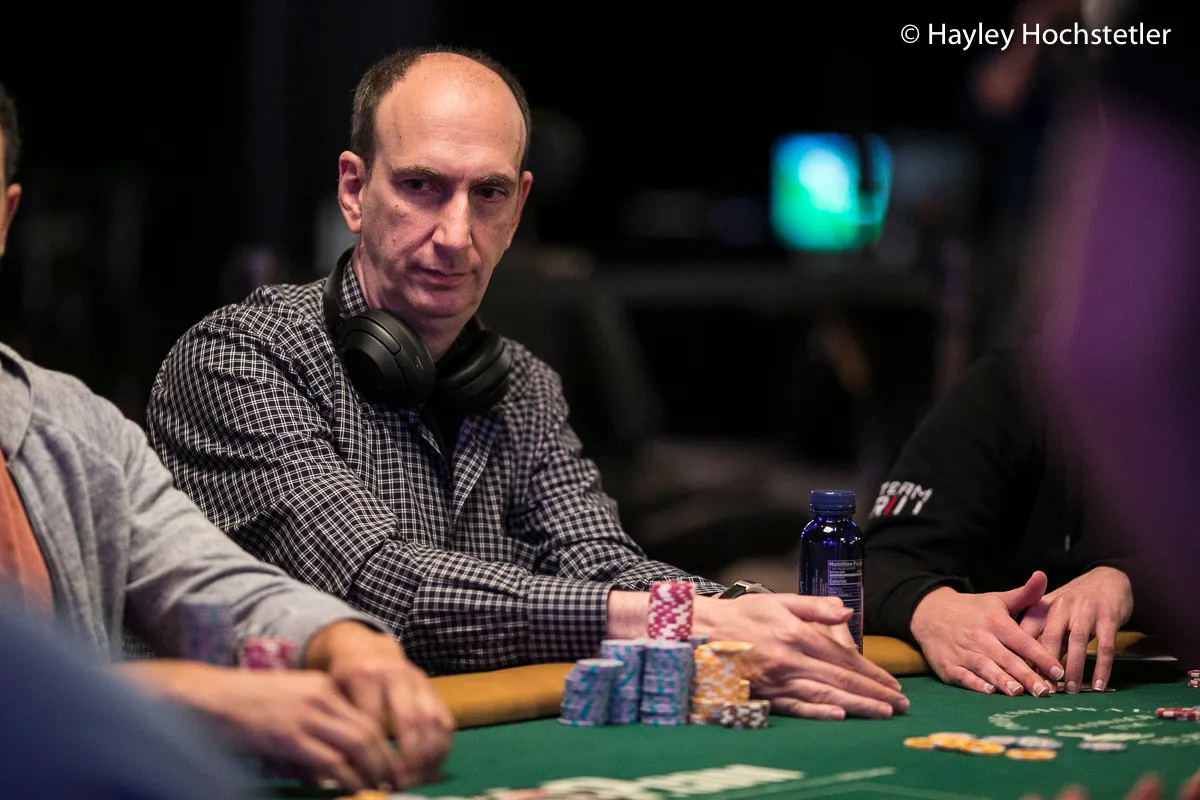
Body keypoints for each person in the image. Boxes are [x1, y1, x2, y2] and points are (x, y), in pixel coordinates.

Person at [144, 45, 909, 722]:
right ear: (354, 189)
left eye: (488, 194)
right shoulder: (238, 361)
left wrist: (744, 611)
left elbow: (599, 562)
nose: (455, 235)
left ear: (518, 211)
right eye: (420, 185)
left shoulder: (525, 387)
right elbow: (379, 587)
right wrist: (692, 621)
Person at [0, 80, 452, 794]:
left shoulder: (75, 426)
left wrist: (344, 642)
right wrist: (193, 696)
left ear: (5, 217)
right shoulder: (237, 357)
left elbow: (210, 579)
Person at [863, 346, 1148, 697]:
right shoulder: (1005, 388)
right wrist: (932, 609)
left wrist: (1128, 581)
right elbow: (875, 562)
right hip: (997, 691)